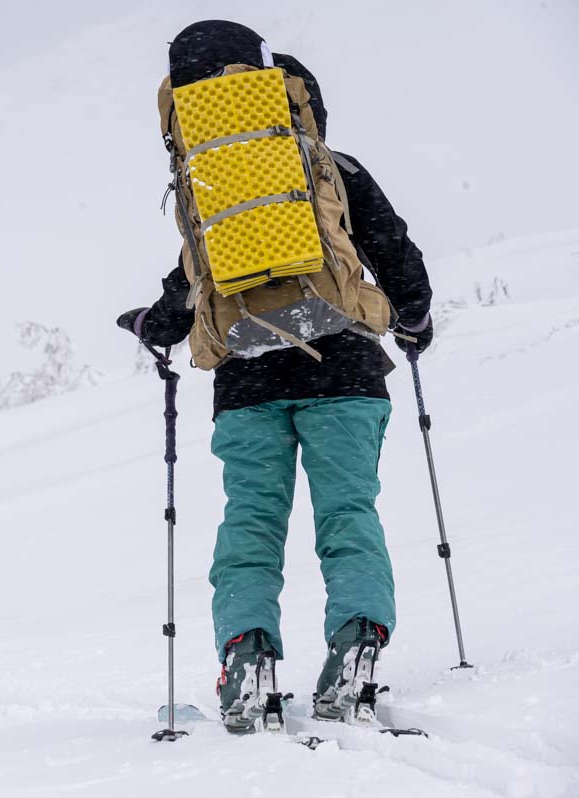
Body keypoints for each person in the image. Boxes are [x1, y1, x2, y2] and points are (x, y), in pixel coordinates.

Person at [118, 20, 433, 732]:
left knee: (251, 526)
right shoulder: (332, 172)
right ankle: (357, 639)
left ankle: (246, 655)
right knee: (349, 515)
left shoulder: (210, 187)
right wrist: (413, 321)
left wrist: (151, 324)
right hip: (347, 371)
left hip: (247, 380)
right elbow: (395, 252)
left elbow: (188, 290)